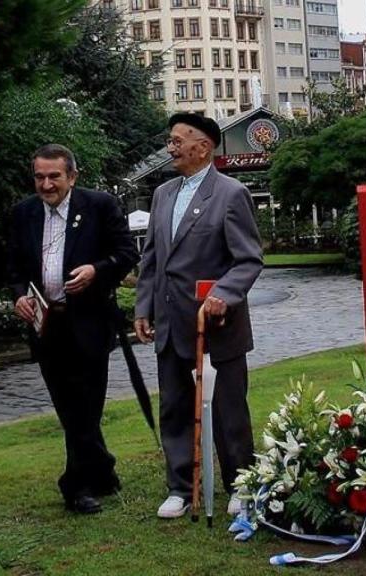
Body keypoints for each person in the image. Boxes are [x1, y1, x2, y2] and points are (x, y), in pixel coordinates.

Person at [135, 113, 264, 519]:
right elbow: (152, 260)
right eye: (169, 141)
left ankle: (240, 483)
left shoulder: (231, 193)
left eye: (178, 141)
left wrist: (224, 294)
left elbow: (247, 259)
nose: (171, 148)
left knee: (228, 410)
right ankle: (180, 486)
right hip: (172, 325)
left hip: (216, 327)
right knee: (173, 405)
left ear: (203, 146)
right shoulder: (163, 194)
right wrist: (144, 307)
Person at [7, 143, 139, 515]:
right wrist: (19, 296)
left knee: (86, 406)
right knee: (69, 408)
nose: (47, 185)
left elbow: (128, 252)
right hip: (47, 326)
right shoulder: (23, 213)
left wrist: (97, 270)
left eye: (54, 177)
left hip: (91, 323)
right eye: (39, 177)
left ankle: (76, 485)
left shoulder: (99, 206)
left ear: (73, 176)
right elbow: (15, 268)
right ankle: (102, 469)